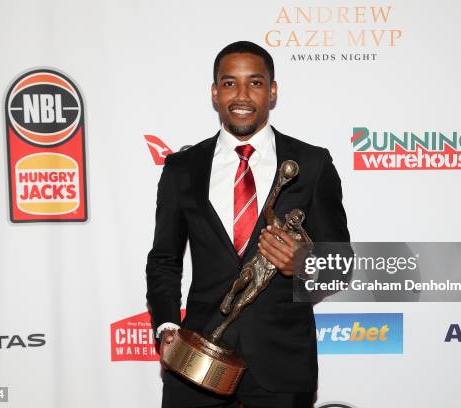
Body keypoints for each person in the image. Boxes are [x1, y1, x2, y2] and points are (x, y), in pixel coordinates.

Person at [146, 41, 350, 408]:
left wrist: (303, 265)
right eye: (229, 83)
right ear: (215, 92)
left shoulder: (312, 164)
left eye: (255, 83)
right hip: (196, 356)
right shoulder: (181, 168)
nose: (241, 95)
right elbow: (164, 259)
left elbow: (341, 264)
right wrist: (165, 328)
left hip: (282, 360)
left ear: (272, 91)